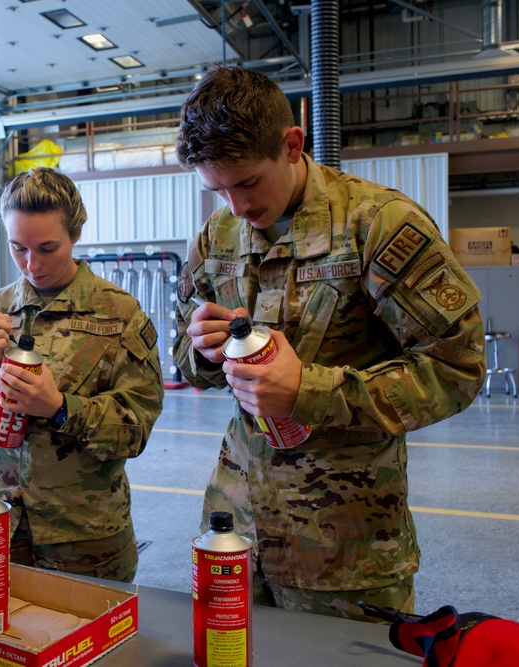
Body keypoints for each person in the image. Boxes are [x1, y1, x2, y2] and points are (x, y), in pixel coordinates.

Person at [172, 66, 485, 621]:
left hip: (345, 545)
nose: (236, 206)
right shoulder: (216, 236)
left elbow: (457, 367)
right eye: (216, 189)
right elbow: (183, 354)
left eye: (246, 182)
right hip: (236, 531)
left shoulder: (378, 224)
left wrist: (309, 390)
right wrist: (200, 351)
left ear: (292, 146)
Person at [0, 167, 164, 583]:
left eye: (47, 248)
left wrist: (61, 408)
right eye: (18, 248)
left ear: (75, 235)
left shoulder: (119, 315)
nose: (32, 264)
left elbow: (135, 431)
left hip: (82, 536)